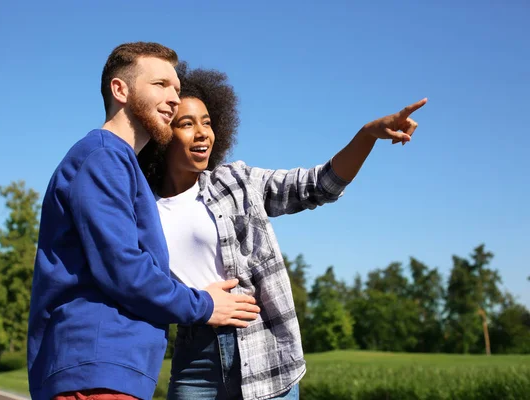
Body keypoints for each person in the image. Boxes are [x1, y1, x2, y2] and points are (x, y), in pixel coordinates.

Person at [138, 62, 427, 400]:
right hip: (194, 359)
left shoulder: (236, 181)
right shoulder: (143, 207)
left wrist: (367, 135)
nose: (203, 133)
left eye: (207, 122)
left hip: (264, 351)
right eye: (187, 124)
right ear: (161, 134)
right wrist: (195, 302)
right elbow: (138, 285)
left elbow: (320, 185)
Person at [27, 43, 260, 400]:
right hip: (97, 371)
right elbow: (124, 269)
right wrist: (205, 305)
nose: (173, 98)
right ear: (120, 90)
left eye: (177, 89)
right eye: (160, 84)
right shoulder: (103, 157)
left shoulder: (119, 163)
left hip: (111, 370)